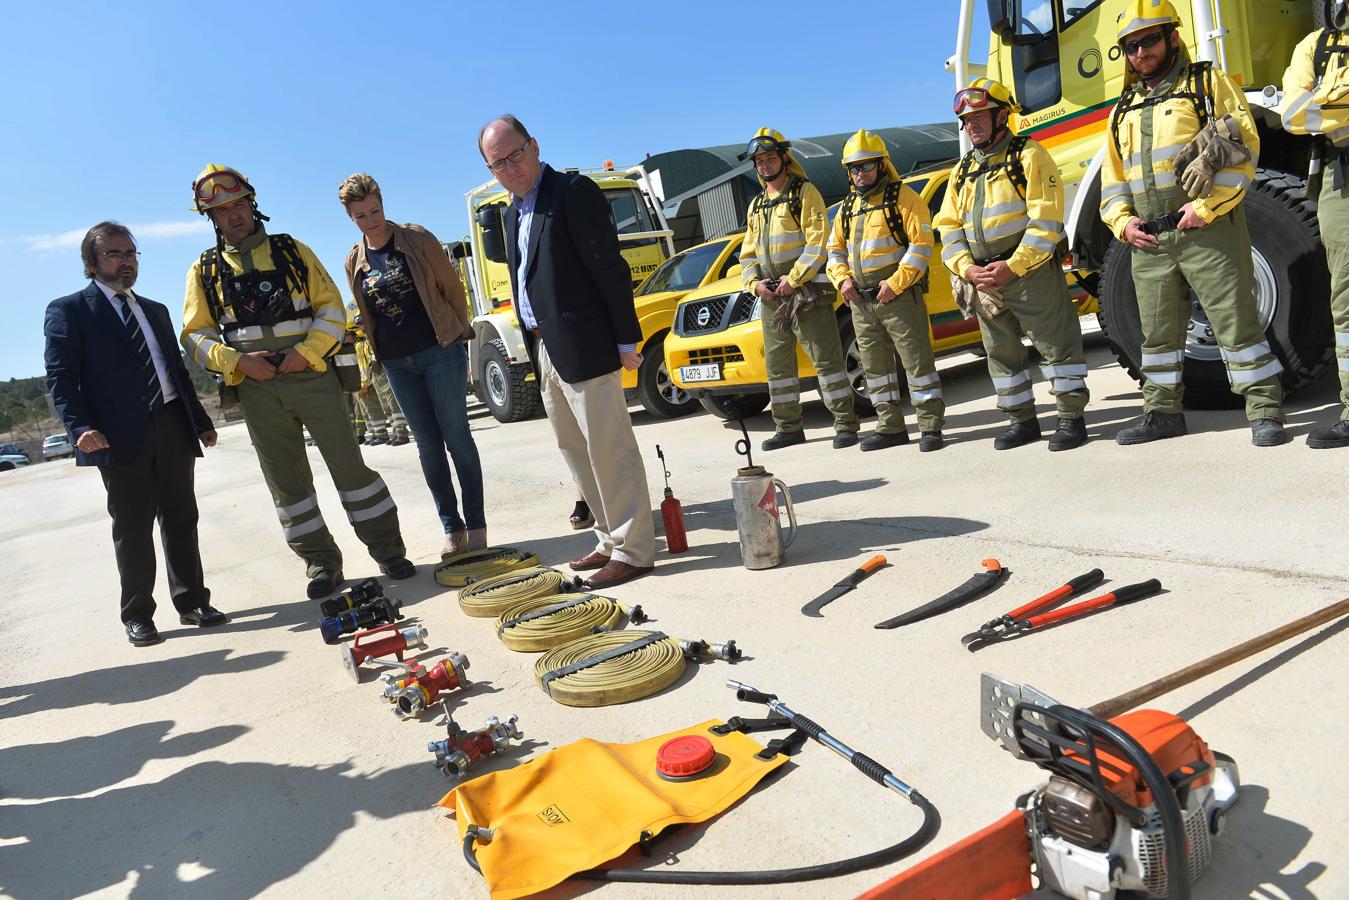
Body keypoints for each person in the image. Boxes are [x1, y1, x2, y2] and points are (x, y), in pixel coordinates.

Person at [181, 165, 412, 599]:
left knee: (350, 467)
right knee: (287, 483)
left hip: (313, 378)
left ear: (253, 205)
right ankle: (320, 563)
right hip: (256, 389)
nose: (234, 216)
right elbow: (194, 334)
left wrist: (302, 354)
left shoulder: (291, 251)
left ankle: (388, 550)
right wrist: (237, 362)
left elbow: (331, 310)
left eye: (239, 205)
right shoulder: (204, 271)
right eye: (222, 211)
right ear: (211, 219)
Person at [480, 114, 655, 588]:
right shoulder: (512, 210)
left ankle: (635, 548)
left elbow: (608, 267)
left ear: (534, 146)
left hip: (588, 343)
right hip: (545, 346)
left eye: (515, 155)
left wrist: (625, 339)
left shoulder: (573, 194)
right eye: (498, 163)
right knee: (575, 449)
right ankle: (607, 539)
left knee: (609, 448)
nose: (510, 167)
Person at [1102, 0, 1287, 446]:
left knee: (1235, 321)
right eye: (1130, 46)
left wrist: (1205, 209)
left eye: (1148, 41)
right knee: (1158, 334)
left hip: (1205, 228)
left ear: (1172, 38)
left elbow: (1243, 148)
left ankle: (1264, 411)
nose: (1139, 53)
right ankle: (1162, 413)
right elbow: (1114, 178)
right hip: (1149, 238)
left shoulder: (1206, 83)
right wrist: (1122, 223)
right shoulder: (1123, 108)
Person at [44, 222, 223, 646]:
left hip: (171, 423)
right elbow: (61, 377)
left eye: (131, 254)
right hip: (116, 435)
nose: (125, 261)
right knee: (133, 525)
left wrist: (199, 421)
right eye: (113, 254)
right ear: (91, 262)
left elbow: (175, 371)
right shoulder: (69, 310)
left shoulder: (155, 310)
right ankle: (138, 613)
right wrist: (79, 427)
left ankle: (193, 602)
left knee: (182, 516)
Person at [936, 78, 1091, 451]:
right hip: (984, 278)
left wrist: (1014, 265)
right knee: (1002, 353)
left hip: (1028, 273)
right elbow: (948, 226)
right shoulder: (962, 171)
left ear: (1003, 116)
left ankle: (1071, 419)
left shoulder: (1029, 155)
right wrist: (966, 269)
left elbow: (1047, 224)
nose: (972, 125)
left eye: (980, 117)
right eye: (967, 120)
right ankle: (1021, 421)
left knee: (1056, 345)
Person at [340, 173, 487, 557]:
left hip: (439, 351)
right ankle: (451, 528)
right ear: (350, 217)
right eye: (361, 216)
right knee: (428, 446)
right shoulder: (354, 261)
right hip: (396, 364)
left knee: (457, 438)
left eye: (375, 210)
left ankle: (477, 525)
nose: (371, 220)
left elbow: (452, 289)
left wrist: (458, 335)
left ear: (383, 203)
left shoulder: (417, 238)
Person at [738, 128, 860, 451]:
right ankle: (788, 427)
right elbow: (747, 253)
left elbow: (818, 243)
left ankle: (845, 424)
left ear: (784, 158)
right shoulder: (756, 206)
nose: (764, 165)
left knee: (826, 359)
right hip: (771, 298)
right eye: (759, 160)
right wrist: (755, 284)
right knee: (777, 366)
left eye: (770, 158)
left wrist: (794, 278)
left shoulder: (804, 194)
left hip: (806, 295)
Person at [826, 129, 945, 452]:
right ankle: (890, 427)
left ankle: (930, 426)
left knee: (916, 363)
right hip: (861, 302)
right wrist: (842, 280)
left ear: (882, 165)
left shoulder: (904, 198)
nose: (860, 173)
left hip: (899, 297)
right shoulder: (847, 208)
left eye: (866, 166)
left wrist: (896, 283)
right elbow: (834, 251)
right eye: (854, 168)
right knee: (874, 368)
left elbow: (921, 247)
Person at [1282, 0, 1349, 448]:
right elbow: (1293, 114)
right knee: (1347, 297)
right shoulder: (1316, 45)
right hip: (1341, 179)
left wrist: (1329, 99)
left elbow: (1313, 109)